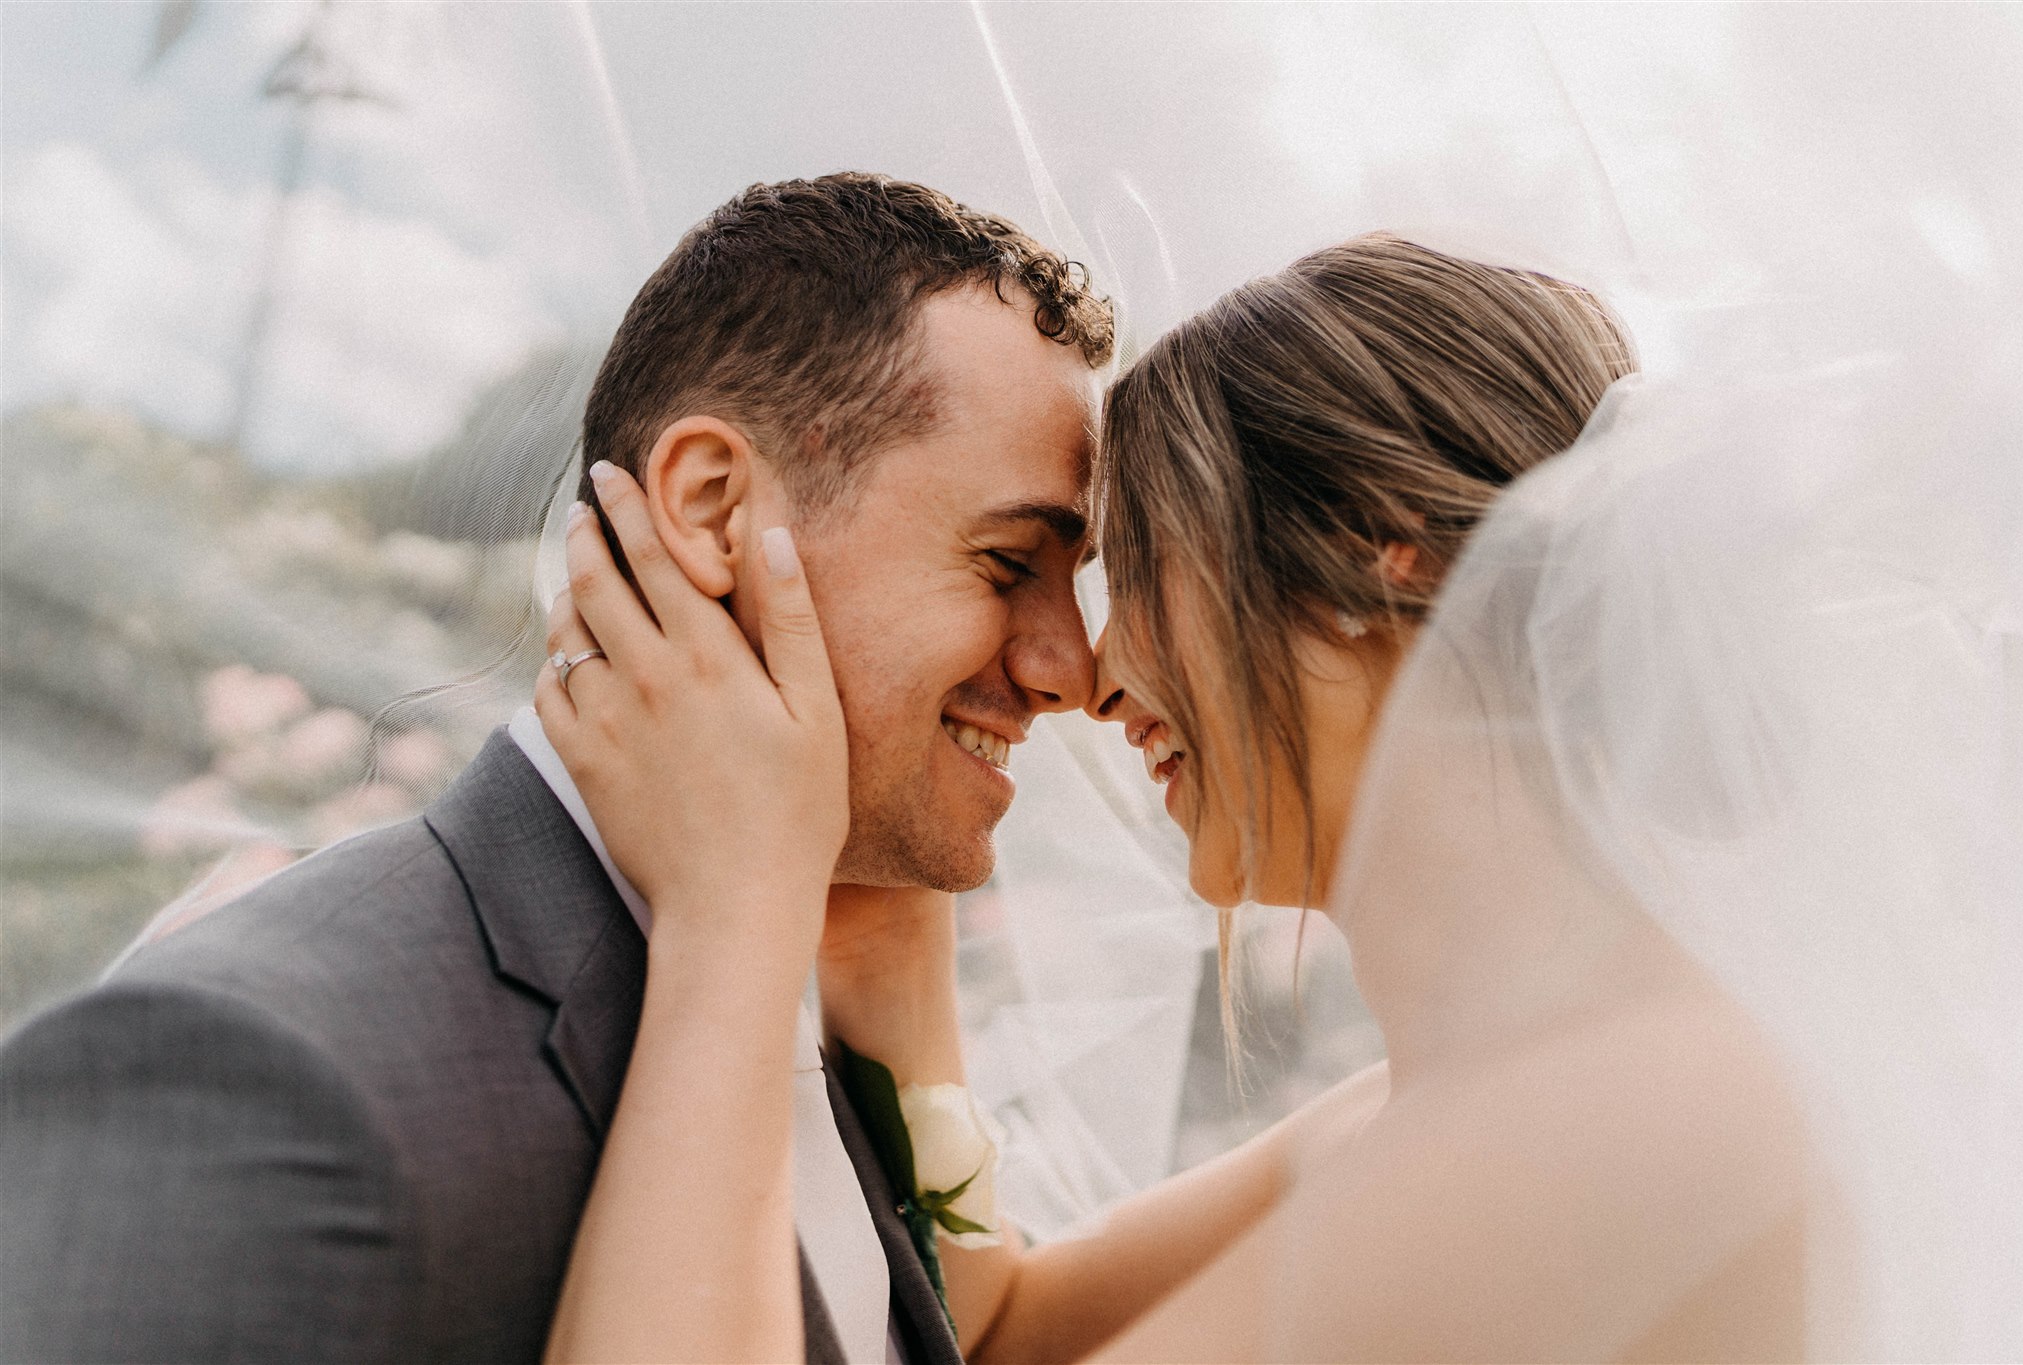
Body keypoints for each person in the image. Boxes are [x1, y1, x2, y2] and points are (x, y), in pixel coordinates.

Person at [537, 232, 1839, 1361]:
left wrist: (729, 918)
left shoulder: (1607, 1125)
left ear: (1373, 550)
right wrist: (888, 962)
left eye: (1144, 564)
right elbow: (1007, 1335)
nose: (1094, 675)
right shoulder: (1449, 1098)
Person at [0, 172, 1114, 1365]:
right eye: (1007, 565)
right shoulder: (249, 1078)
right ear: (712, 506)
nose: (1072, 668)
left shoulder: (832, 994)